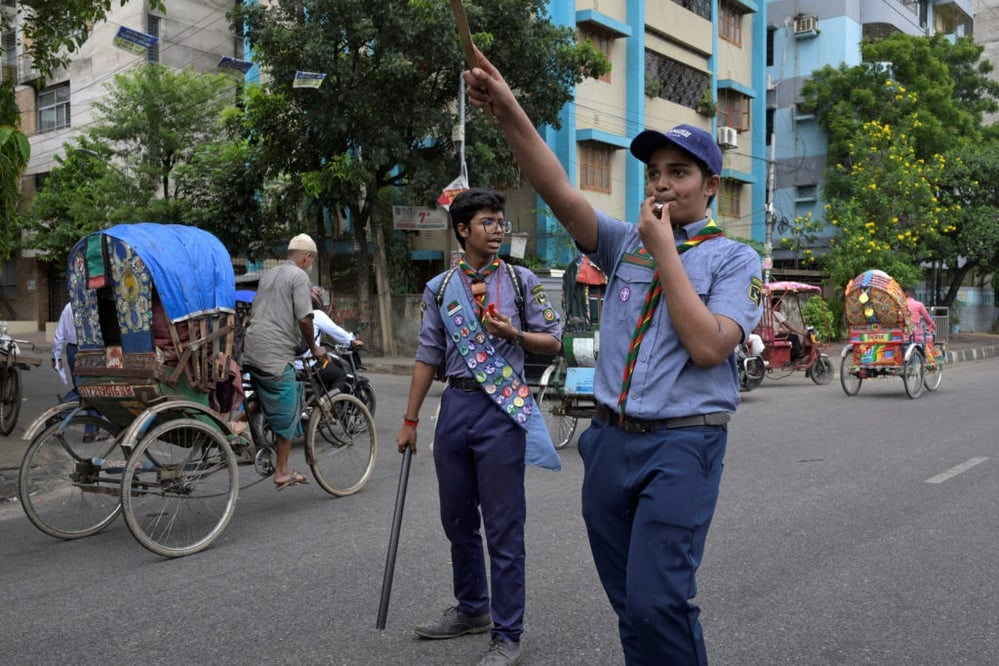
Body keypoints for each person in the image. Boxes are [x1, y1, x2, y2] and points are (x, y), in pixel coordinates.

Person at [463, 49, 763, 664]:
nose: (661, 183)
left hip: (683, 444)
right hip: (608, 443)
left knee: (661, 602)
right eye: (654, 171)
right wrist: (507, 107)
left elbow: (709, 346)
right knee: (629, 601)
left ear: (710, 185)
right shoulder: (623, 242)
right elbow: (555, 187)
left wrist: (666, 252)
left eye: (679, 172)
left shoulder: (736, 262)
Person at [396, 187, 563, 666]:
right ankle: (473, 608)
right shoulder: (440, 289)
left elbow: (553, 342)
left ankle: (508, 633)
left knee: (504, 527)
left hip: (501, 409)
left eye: (500, 222)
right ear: (463, 230)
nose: (497, 231)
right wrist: (409, 420)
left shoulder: (522, 280)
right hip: (455, 409)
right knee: (457, 520)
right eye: (487, 223)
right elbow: (428, 354)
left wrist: (514, 334)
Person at [241, 234, 327, 490]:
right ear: (306, 257)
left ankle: (237, 423)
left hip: (252, 347)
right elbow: (304, 319)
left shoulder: (270, 274)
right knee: (289, 407)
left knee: (262, 393)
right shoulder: (300, 277)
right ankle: (282, 470)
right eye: (311, 259)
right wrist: (314, 347)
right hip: (273, 353)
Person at [301, 285, 363, 395]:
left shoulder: (293, 315)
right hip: (307, 365)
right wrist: (351, 340)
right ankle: (326, 406)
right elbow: (337, 332)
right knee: (340, 376)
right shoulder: (316, 315)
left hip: (291, 364)